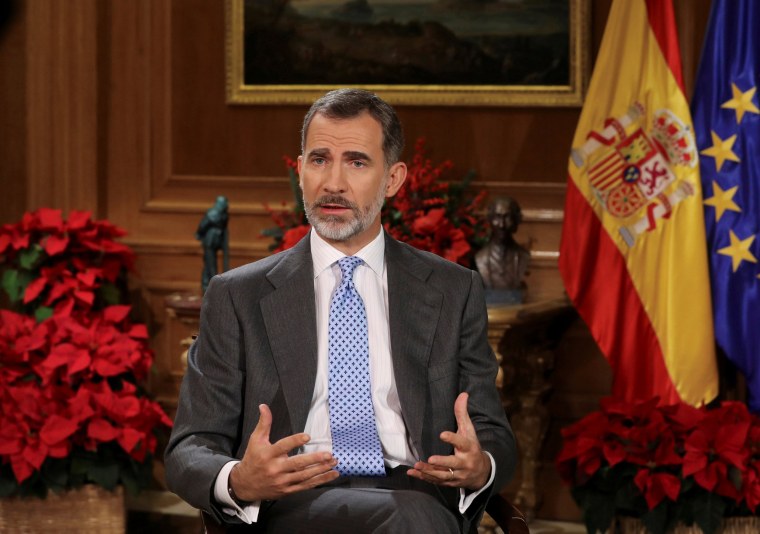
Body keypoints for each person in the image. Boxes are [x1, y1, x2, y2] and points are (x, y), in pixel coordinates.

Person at [165, 89, 516, 533]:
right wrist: (239, 479)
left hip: (416, 491)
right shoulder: (238, 296)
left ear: (393, 178)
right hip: (291, 501)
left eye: (356, 161)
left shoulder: (452, 289)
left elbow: (494, 434)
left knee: (412, 516)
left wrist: (479, 465)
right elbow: (188, 449)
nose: (333, 183)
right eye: (319, 160)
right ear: (299, 170)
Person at [475, 197, 530, 305]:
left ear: (515, 221)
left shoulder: (523, 256)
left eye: (507, 217)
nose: (501, 225)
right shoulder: (480, 258)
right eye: (497, 217)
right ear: (490, 220)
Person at [196, 195, 230, 293]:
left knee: (210, 263)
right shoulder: (213, 213)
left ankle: (208, 285)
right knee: (210, 264)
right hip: (210, 241)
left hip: (217, 241)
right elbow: (202, 225)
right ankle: (209, 285)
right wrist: (199, 234)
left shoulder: (224, 214)